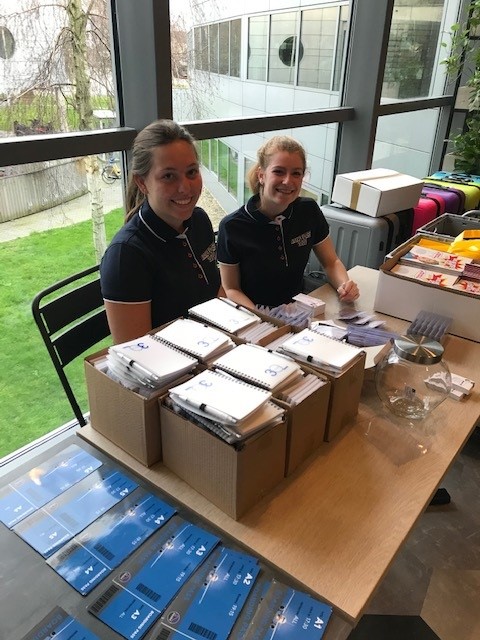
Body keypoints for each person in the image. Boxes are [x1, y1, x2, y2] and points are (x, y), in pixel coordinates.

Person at [100, 119, 222, 343]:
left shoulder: (200, 221)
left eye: (191, 172)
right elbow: (135, 350)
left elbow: (217, 294)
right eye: (168, 176)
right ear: (142, 183)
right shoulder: (126, 255)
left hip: (213, 345)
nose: (185, 187)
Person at [216, 135, 359, 308]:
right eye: (279, 171)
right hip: (254, 313)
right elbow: (231, 289)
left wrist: (344, 286)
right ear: (261, 175)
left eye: (296, 173)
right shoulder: (232, 227)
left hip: (299, 308)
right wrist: (261, 318)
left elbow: (331, 262)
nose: (287, 181)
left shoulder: (309, 210)